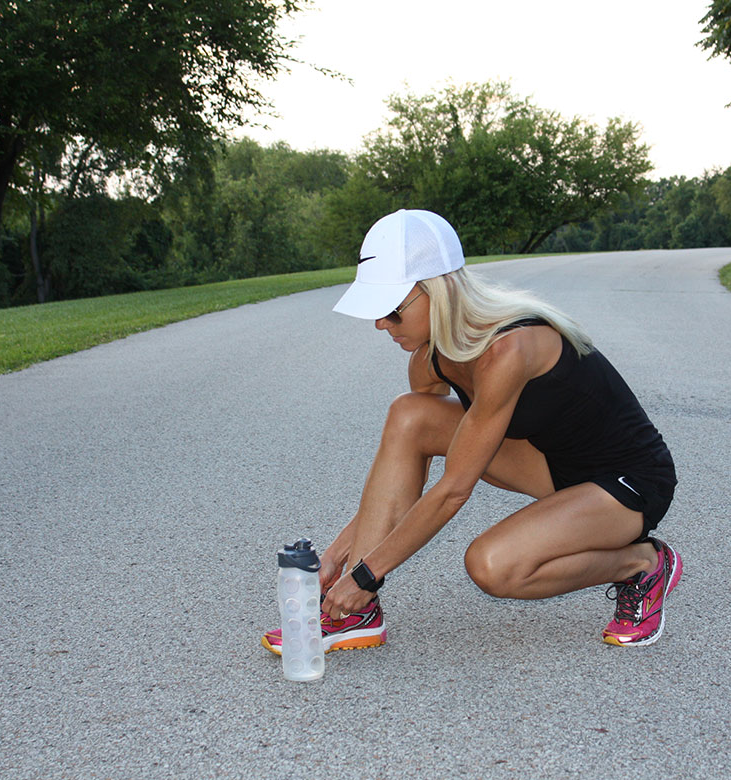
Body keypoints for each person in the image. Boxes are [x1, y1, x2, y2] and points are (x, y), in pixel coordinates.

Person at [262, 209, 680, 653]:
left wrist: (366, 575)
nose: (381, 325)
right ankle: (357, 615)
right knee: (411, 415)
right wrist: (337, 558)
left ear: (432, 292)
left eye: (389, 310)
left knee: (492, 566)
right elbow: (403, 483)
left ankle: (642, 563)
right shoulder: (430, 358)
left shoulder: (510, 349)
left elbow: (453, 489)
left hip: (626, 481)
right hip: (552, 467)